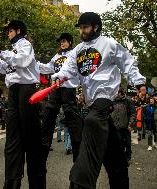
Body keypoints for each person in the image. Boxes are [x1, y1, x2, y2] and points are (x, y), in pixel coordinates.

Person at [51, 12, 146, 189]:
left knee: (92, 122)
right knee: (115, 157)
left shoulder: (109, 44)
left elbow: (128, 63)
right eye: (80, 28)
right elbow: (67, 70)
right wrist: (58, 77)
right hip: (91, 103)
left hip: (104, 99)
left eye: (85, 27)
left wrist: (139, 82)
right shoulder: (77, 50)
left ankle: (80, 183)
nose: (82, 31)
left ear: (96, 27)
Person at [0, 20, 45, 188]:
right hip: (14, 92)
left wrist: (2, 53)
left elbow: (21, 61)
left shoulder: (25, 45)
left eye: (10, 30)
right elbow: (5, 68)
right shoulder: (12, 50)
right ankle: (12, 181)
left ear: (18, 30)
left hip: (27, 91)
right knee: (12, 139)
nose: (7, 33)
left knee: (31, 137)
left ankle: (36, 181)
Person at [37, 33, 82, 166]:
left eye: (64, 41)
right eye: (60, 42)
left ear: (70, 42)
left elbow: (75, 71)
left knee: (71, 116)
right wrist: (34, 63)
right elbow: (47, 68)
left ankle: (78, 151)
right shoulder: (56, 57)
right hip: (55, 89)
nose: (61, 43)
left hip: (68, 88)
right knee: (49, 114)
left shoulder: (73, 54)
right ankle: (43, 147)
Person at [112, 87, 136, 163]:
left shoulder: (128, 100)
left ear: (120, 93)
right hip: (116, 126)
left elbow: (133, 113)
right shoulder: (113, 101)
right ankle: (120, 158)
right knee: (118, 143)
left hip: (126, 126)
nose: (115, 94)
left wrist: (130, 123)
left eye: (116, 93)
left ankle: (128, 158)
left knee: (127, 143)